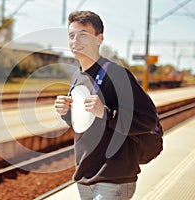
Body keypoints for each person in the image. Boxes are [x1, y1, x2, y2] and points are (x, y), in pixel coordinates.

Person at [54, 11, 158, 200]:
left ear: (99, 39)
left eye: (83, 34)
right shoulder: (78, 77)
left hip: (114, 176)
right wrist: (66, 113)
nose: (75, 40)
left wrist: (106, 113)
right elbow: (85, 122)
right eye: (71, 35)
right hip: (85, 175)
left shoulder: (117, 75)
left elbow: (148, 120)